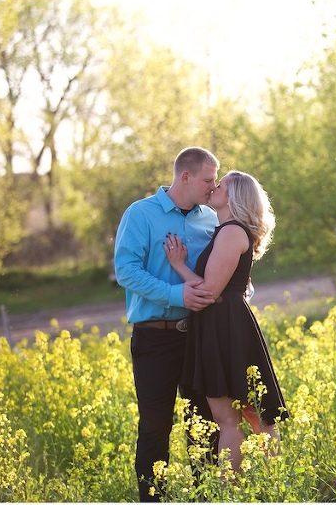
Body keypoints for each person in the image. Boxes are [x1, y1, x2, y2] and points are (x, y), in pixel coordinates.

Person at [163, 170, 290, 473]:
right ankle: (254, 488)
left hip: (225, 327)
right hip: (220, 325)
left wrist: (179, 265)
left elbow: (209, 291)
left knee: (243, 418)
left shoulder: (232, 232)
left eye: (222, 184)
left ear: (235, 197)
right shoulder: (227, 230)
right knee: (241, 416)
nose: (214, 187)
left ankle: (255, 487)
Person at [113, 146, 221, 501]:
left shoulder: (211, 218)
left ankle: (203, 497)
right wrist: (177, 296)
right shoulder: (141, 214)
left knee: (202, 426)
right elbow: (126, 271)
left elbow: (221, 265)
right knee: (155, 429)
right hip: (155, 339)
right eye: (208, 179)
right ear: (185, 176)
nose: (213, 185)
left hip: (200, 339)